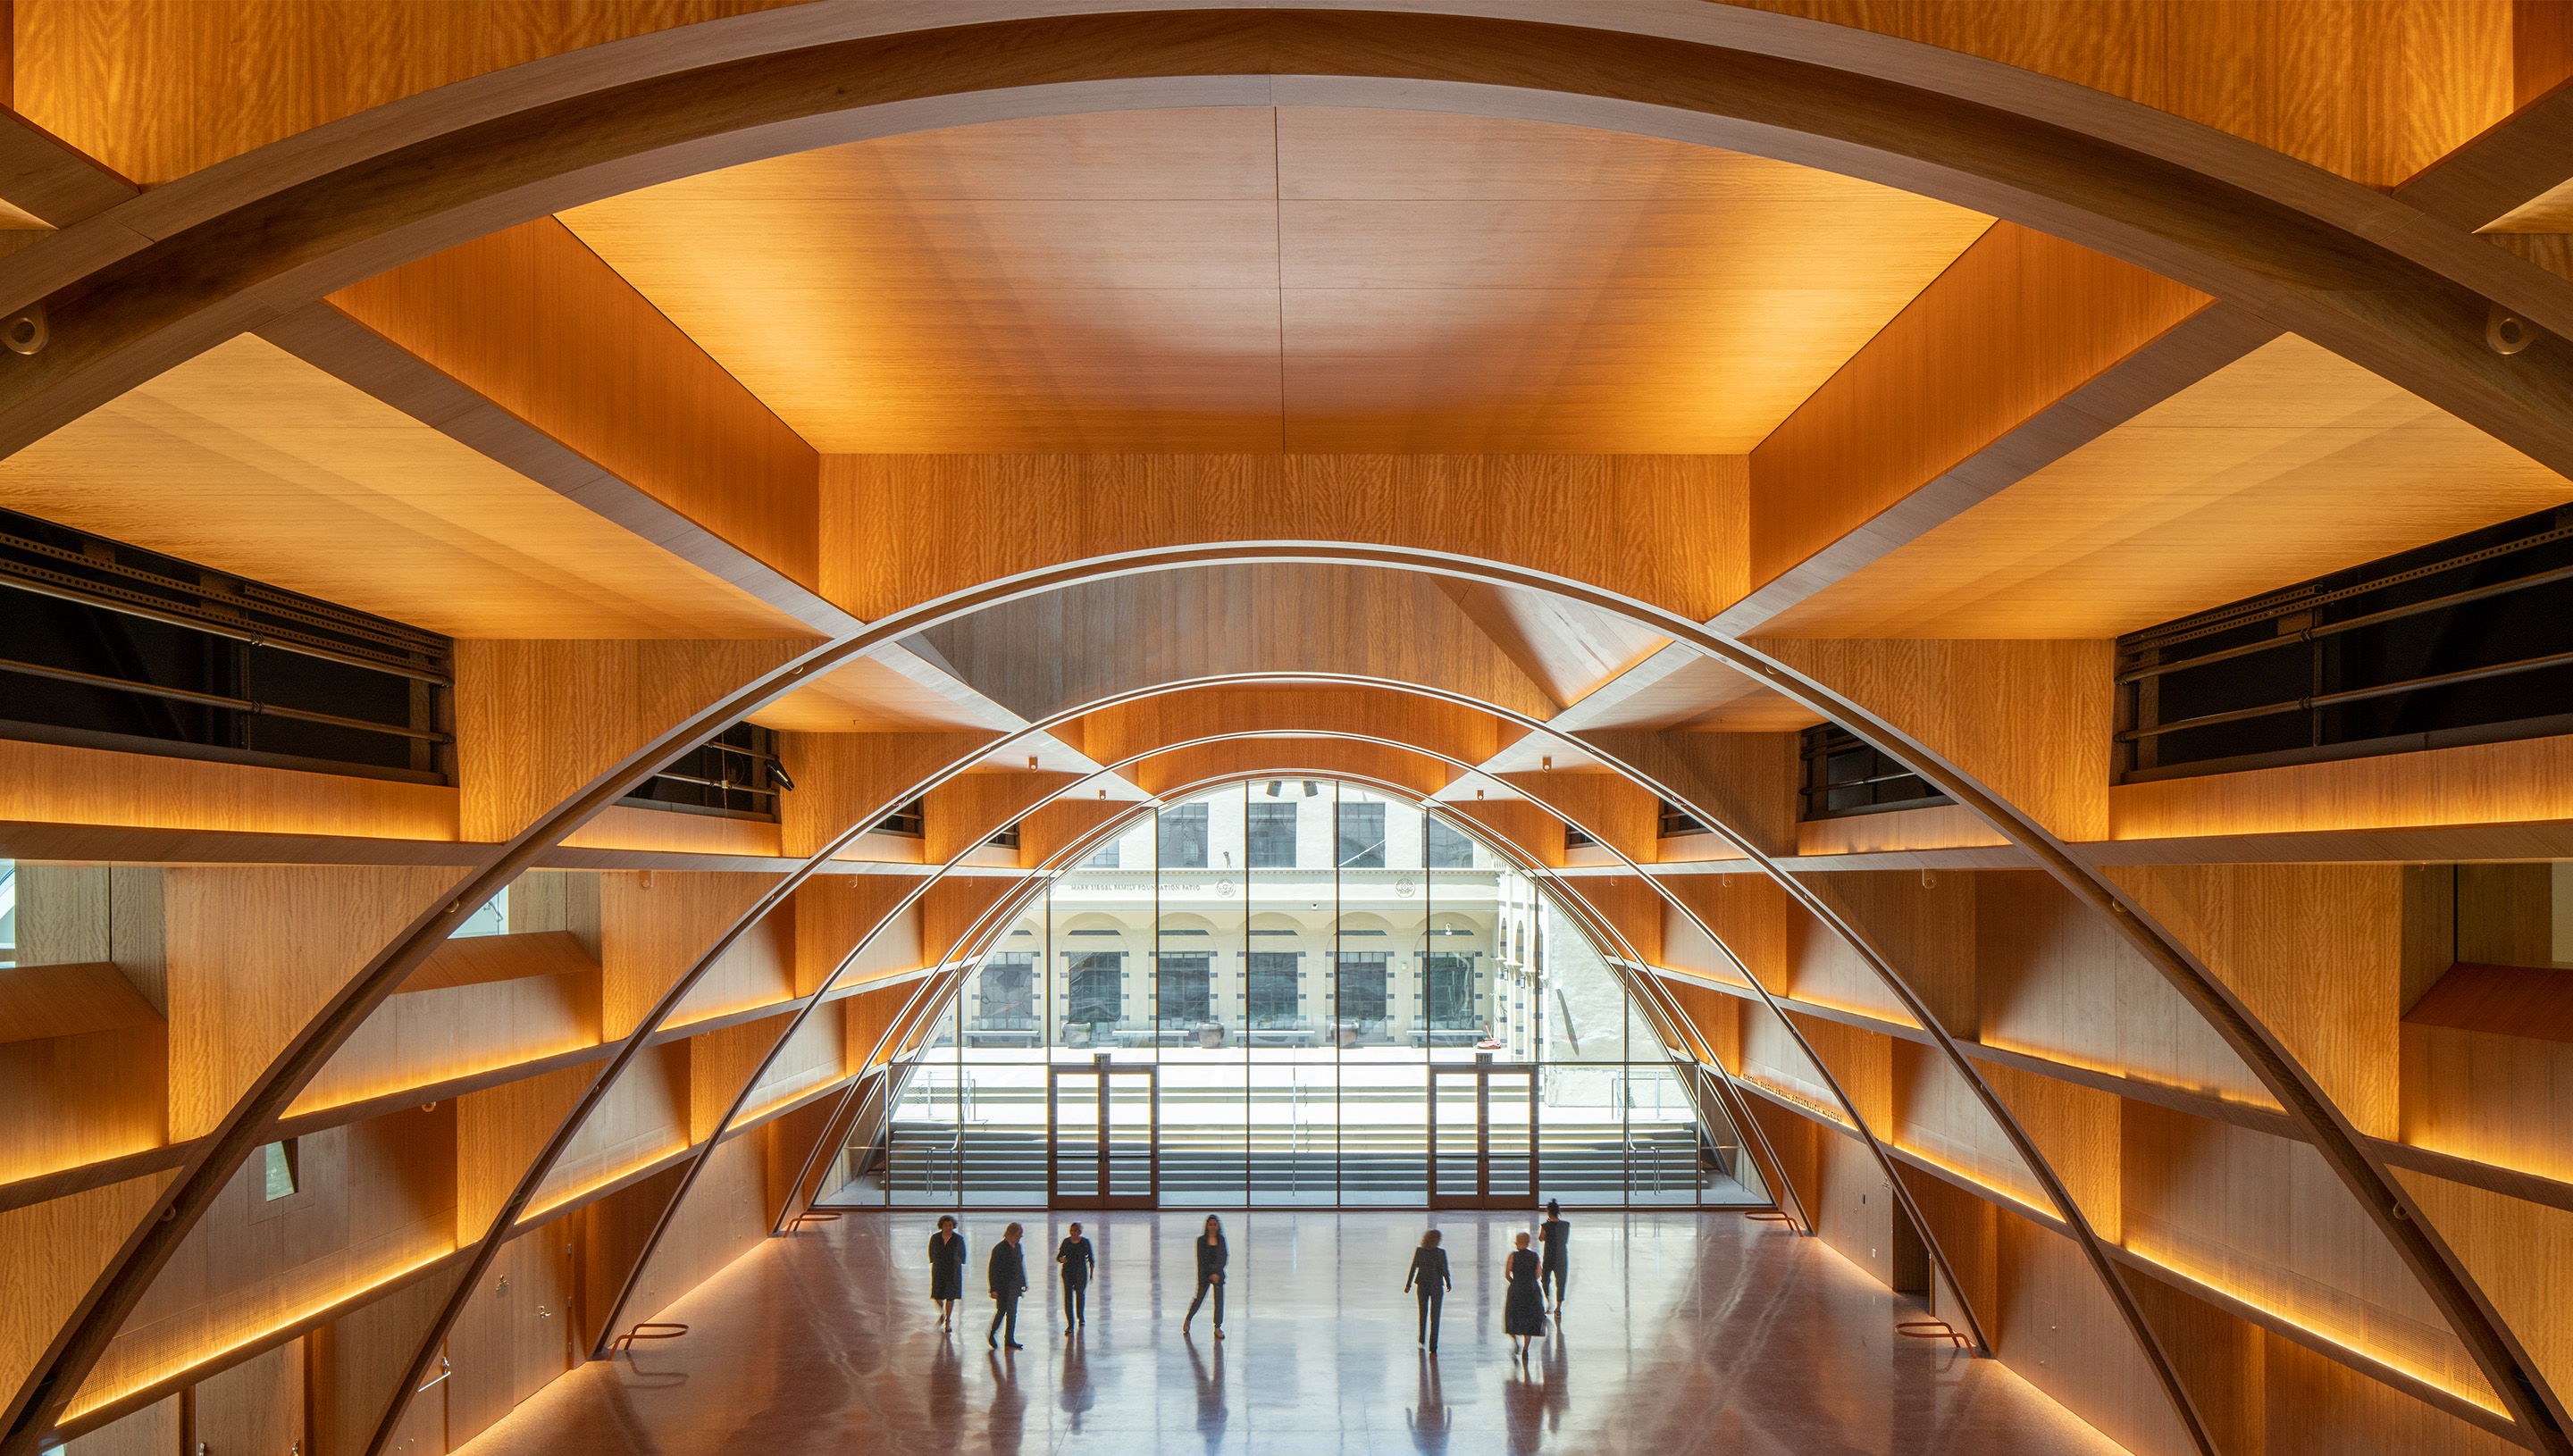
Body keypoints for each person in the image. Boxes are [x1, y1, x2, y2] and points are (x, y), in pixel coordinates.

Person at [1404, 1229, 1452, 1352]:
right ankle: (1433, 1345)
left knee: (1422, 1312)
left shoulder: (1419, 1252)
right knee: (1435, 1316)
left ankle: (1421, 1338)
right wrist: (1448, 1282)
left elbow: (1413, 1267)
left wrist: (1408, 1284)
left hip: (1422, 1285)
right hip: (1436, 1285)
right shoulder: (1440, 1253)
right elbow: (1444, 1269)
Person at [1182, 1214, 1228, 1339]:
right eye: (1210, 1224)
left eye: (1215, 1224)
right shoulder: (1201, 1241)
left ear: (1218, 1226)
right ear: (1207, 1226)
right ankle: (1189, 1318)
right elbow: (1201, 1260)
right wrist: (1210, 1273)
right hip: (1205, 1274)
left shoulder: (1221, 1240)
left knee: (1219, 1301)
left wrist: (1217, 1273)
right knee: (1200, 1297)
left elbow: (1224, 1257)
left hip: (1218, 1274)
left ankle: (1217, 1327)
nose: (1212, 1227)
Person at [1502, 1231, 1546, 1359]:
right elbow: (1538, 1273)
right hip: (1531, 1289)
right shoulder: (1534, 1256)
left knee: (1512, 1317)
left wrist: (1514, 1282)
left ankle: (1516, 1342)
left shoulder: (1513, 1256)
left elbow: (1507, 1274)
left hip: (1516, 1289)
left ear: (1517, 1242)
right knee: (1529, 1319)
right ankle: (1526, 1349)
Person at [988, 1222, 1028, 1349]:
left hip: (1015, 1285)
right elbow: (992, 1270)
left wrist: (1023, 1282)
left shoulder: (1018, 1247)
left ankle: (1009, 1339)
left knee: (1012, 1312)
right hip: (1003, 1286)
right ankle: (992, 1334)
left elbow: (1020, 1265)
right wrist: (993, 1289)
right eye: (1018, 1234)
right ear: (1011, 1234)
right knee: (1001, 1311)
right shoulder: (999, 1249)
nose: (1020, 1237)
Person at [928, 1214, 966, 1331]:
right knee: (937, 1296)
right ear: (942, 1226)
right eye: (946, 1225)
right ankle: (942, 1312)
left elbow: (962, 1254)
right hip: (939, 1269)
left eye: (950, 1225)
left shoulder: (958, 1239)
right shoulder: (935, 1238)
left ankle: (948, 1321)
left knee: (950, 1296)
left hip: (953, 1271)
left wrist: (956, 1262)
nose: (948, 1227)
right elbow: (931, 1252)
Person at [1057, 1221, 1095, 1333]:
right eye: (1072, 1231)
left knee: (1080, 1295)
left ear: (1080, 1232)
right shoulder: (1066, 1242)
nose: (1073, 1233)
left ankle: (1081, 1318)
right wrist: (1061, 1259)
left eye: (1076, 1231)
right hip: (1068, 1272)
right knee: (1068, 1297)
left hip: (1081, 1272)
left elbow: (1091, 1258)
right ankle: (1070, 1324)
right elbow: (1059, 1256)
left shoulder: (1085, 1242)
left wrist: (1091, 1273)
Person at [1538, 1200, 1570, 1312]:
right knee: (1561, 1281)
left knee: (1545, 1279)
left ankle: (1549, 1302)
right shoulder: (1566, 1225)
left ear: (1548, 1212)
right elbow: (1565, 1240)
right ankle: (1559, 1307)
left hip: (1549, 1256)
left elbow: (1540, 1238)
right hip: (1562, 1256)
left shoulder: (1546, 1226)